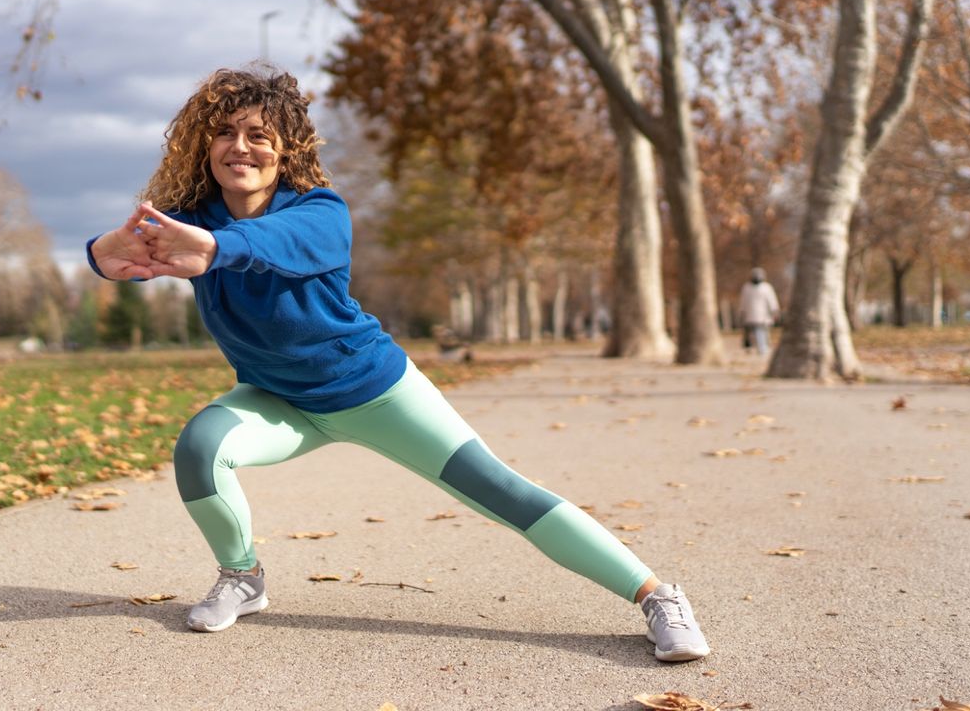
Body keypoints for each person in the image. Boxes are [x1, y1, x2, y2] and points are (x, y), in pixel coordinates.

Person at [85, 67, 710, 662]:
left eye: (258, 136)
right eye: (224, 132)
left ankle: (658, 596)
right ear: (204, 143)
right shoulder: (191, 218)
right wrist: (104, 251)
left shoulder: (318, 210)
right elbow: (120, 257)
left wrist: (218, 248)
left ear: (286, 150)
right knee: (200, 446)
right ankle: (242, 578)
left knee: (502, 491)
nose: (238, 147)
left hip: (374, 391)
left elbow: (276, 246)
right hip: (279, 401)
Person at [738, 267, 780, 355]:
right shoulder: (751, 287)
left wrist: (774, 310)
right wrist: (775, 310)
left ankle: (761, 348)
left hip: (760, 315)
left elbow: (771, 301)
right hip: (757, 315)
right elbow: (772, 301)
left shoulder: (764, 287)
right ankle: (762, 349)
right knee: (759, 332)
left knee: (760, 332)